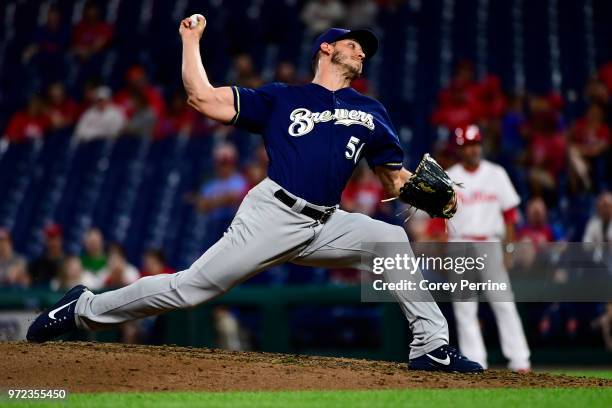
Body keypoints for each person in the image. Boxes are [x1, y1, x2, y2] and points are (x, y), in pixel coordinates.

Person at [26, 19, 483, 373]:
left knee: (390, 242)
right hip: (273, 213)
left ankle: (431, 347)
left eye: (365, 48)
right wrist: (191, 40)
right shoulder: (283, 98)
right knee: (189, 289)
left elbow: (394, 181)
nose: (361, 50)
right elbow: (201, 98)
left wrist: (436, 198)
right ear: (326, 47)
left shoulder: (372, 110)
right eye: (352, 42)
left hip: (326, 222)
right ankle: (82, 307)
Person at [445, 124, 531, 372]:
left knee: (503, 302)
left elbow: (511, 214)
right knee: (464, 307)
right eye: (467, 146)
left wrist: (509, 248)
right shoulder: (449, 177)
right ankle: (476, 362)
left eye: (475, 144)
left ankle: (520, 360)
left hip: (491, 243)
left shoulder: (496, 174)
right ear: (459, 150)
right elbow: (439, 219)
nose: (472, 149)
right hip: (460, 245)